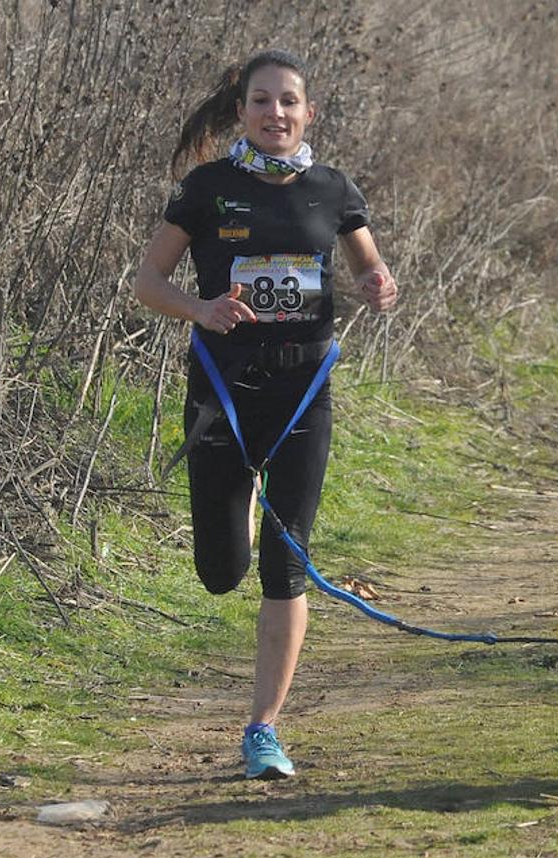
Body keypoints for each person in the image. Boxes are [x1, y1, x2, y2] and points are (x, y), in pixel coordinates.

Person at [135, 49, 397, 780]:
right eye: (261, 101)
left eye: (289, 102)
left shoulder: (333, 189)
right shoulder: (209, 189)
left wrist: (377, 283)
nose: (275, 114)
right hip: (222, 389)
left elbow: (367, 268)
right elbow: (147, 280)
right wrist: (201, 308)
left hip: (304, 393)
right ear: (242, 110)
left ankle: (262, 729)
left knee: (289, 567)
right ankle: (241, 500)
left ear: (309, 113)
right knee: (222, 572)